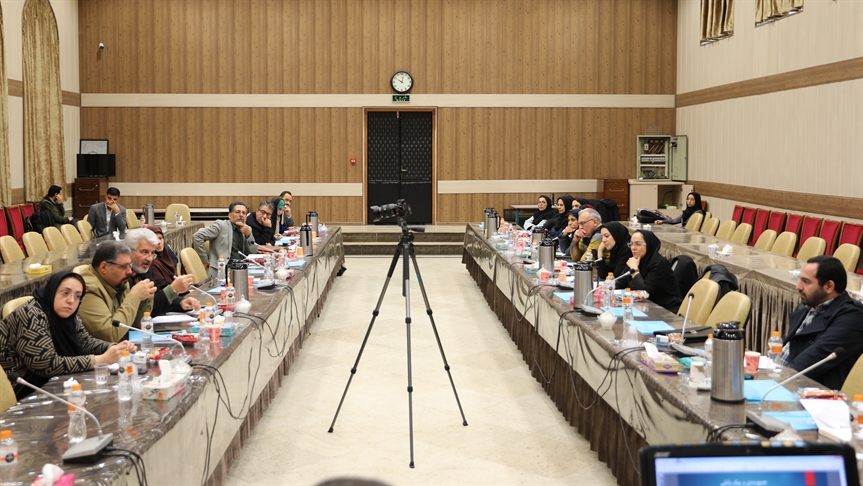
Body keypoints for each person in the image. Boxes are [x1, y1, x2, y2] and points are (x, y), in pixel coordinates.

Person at [0, 272, 137, 400]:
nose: (71, 300)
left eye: (77, 296)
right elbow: (46, 364)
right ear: (52, 291)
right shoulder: (29, 315)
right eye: (65, 293)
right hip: (25, 391)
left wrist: (114, 348)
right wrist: (101, 359)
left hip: (55, 385)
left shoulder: (69, 316)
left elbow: (85, 342)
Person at [777, 256, 863, 390]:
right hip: (782, 378)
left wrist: (774, 380)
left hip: (812, 391)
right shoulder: (807, 305)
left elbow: (814, 358)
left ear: (829, 286)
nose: (798, 286)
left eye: (806, 281)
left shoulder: (853, 317)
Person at [77, 240, 157, 342]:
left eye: (130, 265)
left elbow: (135, 325)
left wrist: (144, 298)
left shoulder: (119, 281)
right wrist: (134, 297)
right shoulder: (88, 289)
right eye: (124, 267)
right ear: (104, 267)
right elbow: (111, 334)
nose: (129, 271)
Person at [125, 228, 199, 316]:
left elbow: (156, 299)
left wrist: (181, 303)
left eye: (152, 253)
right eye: (144, 252)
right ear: (128, 251)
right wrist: (173, 289)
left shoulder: (145, 270)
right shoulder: (122, 276)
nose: (149, 259)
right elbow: (149, 310)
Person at [192, 202, 261, 278]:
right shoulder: (221, 226)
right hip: (222, 271)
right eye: (238, 212)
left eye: (244, 213)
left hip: (242, 269)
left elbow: (253, 251)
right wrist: (204, 260)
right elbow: (197, 236)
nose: (241, 215)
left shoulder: (247, 229)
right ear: (230, 215)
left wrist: (248, 235)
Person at [626, 229, 682, 313]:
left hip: (665, 310)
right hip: (645, 307)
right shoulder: (637, 259)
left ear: (649, 245)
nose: (633, 248)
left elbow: (644, 293)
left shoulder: (659, 263)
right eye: (631, 244)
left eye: (638, 244)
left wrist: (634, 270)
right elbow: (621, 282)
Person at [595, 222, 634, 289]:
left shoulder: (628, 249)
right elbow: (604, 274)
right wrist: (600, 250)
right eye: (602, 237)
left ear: (616, 235)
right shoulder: (616, 249)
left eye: (606, 236)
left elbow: (617, 277)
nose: (603, 240)